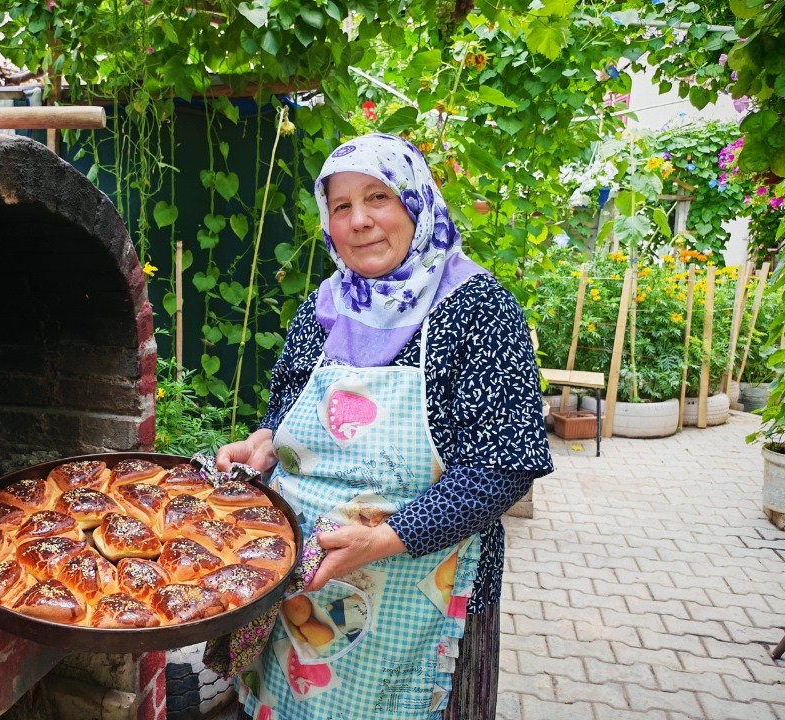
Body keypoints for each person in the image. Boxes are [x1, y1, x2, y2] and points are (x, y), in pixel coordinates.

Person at [216, 133, 552, 719]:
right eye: (341, 206)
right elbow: (288, 409)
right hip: (308, 584)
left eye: (378, 198)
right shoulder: (325, 304)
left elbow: (504, 464)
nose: (360, 221)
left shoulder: (477, 309)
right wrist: (264, 444)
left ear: (416, 204)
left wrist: (382, 541)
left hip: (422, 586)